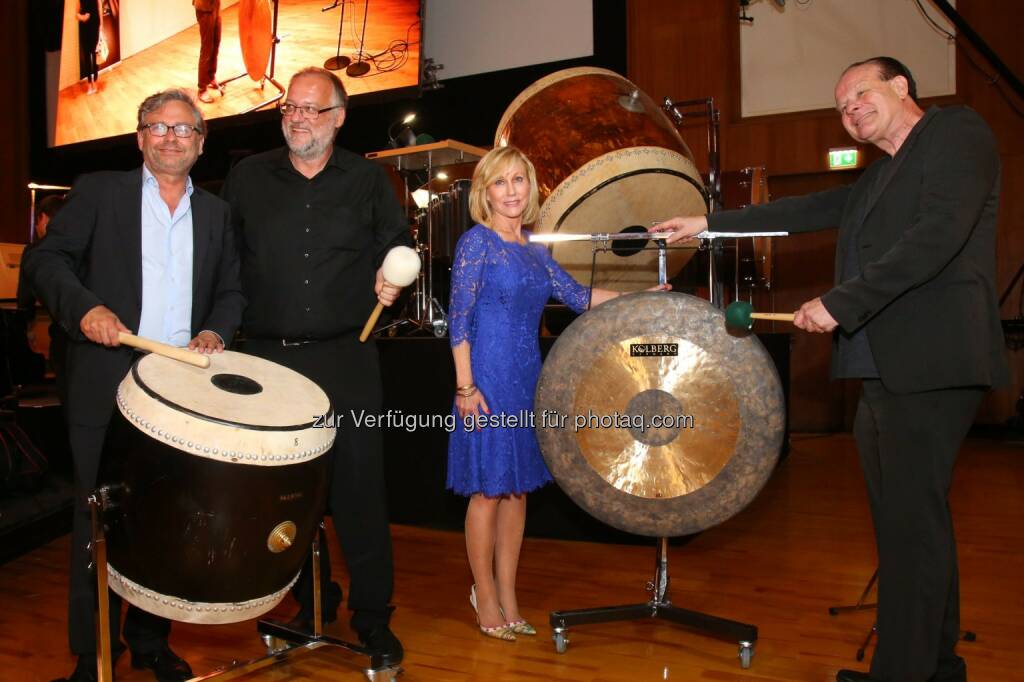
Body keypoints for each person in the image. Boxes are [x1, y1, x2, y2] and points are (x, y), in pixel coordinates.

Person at [656, 57, 1006, 682]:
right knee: (915, 521)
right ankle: (937, 665)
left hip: (934, 358)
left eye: (860, 95)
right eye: (842, 108)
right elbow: (808, 208)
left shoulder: (956, 132)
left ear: (902, 87)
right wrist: (708, 224)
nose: (851, 112)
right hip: (885, 367)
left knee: (908, 526)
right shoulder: (880, 178)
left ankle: (903, 672)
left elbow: (937, 236)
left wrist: (840, 303)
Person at [24, 89, 245, 682]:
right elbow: (45, 262)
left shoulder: (218, 213)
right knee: (96, 514)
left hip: (178, 387)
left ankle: (149, 640)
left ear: (201, 142)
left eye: (184, 129)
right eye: (158, 127)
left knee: (165, 517)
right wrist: (85, 308)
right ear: (140, 137)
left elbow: (231, 292)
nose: (171, 138)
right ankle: (92, 651)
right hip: (103, 380)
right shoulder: (100, 191)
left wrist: (214, 331)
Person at [220, 66, 409, 667]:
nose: (298, 119)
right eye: (290, 110)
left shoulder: (369, 180)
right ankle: (309, 601)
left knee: (358, 490)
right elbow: (224, 263)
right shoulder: (248, 178)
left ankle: (372, 617)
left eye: (312, 110)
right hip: (267, 362)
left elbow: (398, 246)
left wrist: (393, 276)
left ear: (339, 117)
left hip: (346, 355)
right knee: (283, 494)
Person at [447, 145, 670, 640]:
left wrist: (640, 296)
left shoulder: (534, 250)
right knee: (488, 491)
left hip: (529, 380)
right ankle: (483, 592)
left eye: (519, 181)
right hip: (483, 380)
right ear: (485, 191)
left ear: (531, 189)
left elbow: (580, 298)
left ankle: (509, 594)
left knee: (518, 490)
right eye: (500, 182)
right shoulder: (476, 243)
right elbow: (458, 322)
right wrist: (465, 388)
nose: (511, 191)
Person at [17, 195, 69, 400]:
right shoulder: (79, 248)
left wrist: (26, 329)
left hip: (59, 336)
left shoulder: (36, 251)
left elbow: (24, 298)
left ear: (43, 218)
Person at [193, 0, 222, 104]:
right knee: (207, 48)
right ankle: (202, 88)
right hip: (204, 7)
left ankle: (210, 77)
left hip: (215, 5)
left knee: (216, 43)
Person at [76, 0, 100, 95]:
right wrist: (81, 17)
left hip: (94, 24)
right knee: (86, 55)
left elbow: (99, 7)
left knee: (94, 54)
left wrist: (101, 25)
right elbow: (76, 13)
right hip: (84, 26)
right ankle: (89, 84)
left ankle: (96, 82)